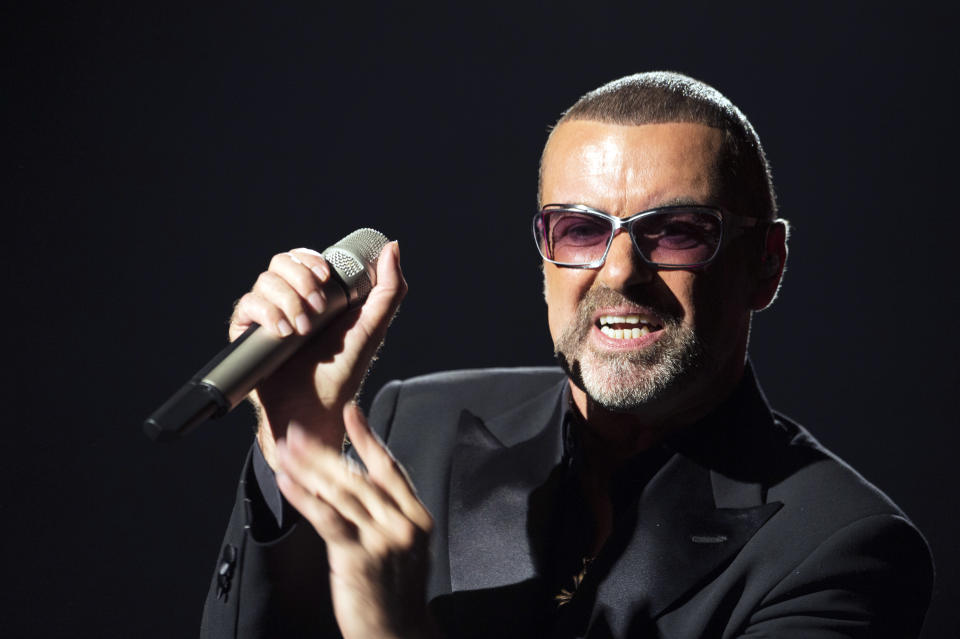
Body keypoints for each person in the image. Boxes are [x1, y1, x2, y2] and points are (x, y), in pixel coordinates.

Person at [200, 72, 934, 638]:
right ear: (544, 252)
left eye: (677, 230)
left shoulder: (841, 548)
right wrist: (291, 447)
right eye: (580, 229)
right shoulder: (409, 422)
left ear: (766, 264)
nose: (619, 271)